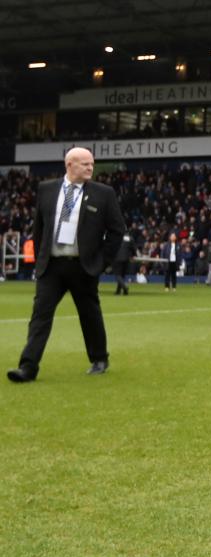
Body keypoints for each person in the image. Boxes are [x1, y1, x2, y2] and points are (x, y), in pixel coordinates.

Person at [8, 147, 126, 383]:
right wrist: (42, 256)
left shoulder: (104, 193)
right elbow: (39, 227)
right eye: (85, 164)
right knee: (40, 315)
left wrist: (101, 262)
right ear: (69, 165)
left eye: (92, 164)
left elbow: (117, 231)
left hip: (83, 267)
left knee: (89, 314)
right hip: (51, 266)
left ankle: (99, 358)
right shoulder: (47, 189)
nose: (90, 168)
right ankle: (28, 367)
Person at [113, 230, 138, 296]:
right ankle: (119, 291)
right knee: (122, 275)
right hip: (126, 259)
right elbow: (134, 249)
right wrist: (133, 256)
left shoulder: (116, 237)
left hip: (117, 258)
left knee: (118, 275)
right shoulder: (130, 238)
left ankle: (125, 287)